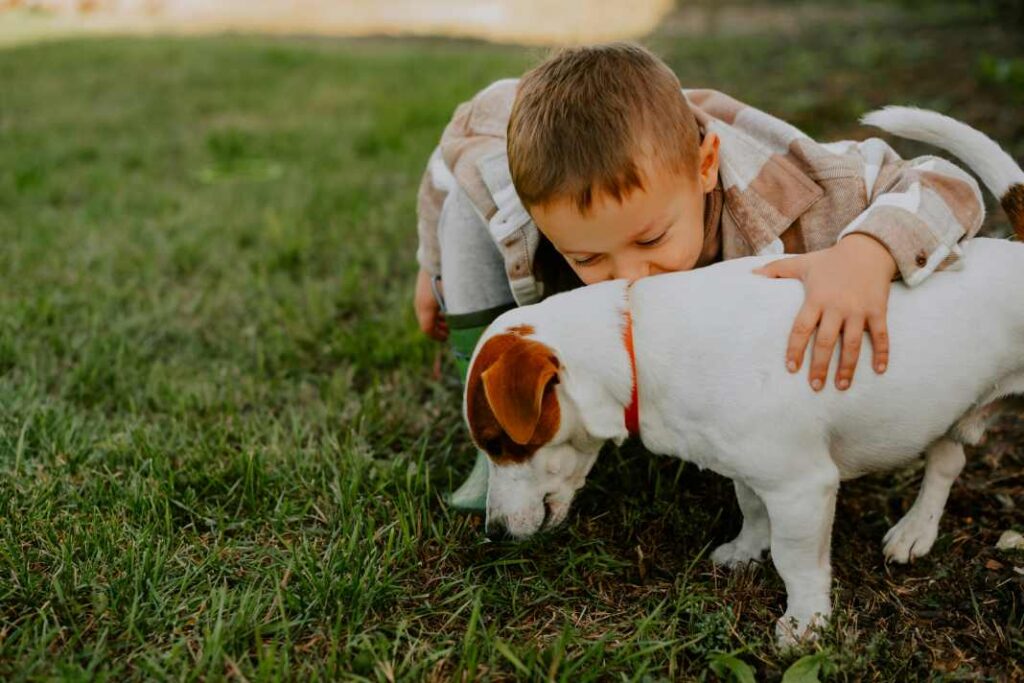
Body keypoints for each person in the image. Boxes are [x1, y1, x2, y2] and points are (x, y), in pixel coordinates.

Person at [413, 43, 985, 511]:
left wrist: (865, 252)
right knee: (473, 200)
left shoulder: (802, 195)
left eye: (651, 239)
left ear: (705, 166)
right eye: (589, 260)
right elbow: (463, 144)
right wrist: (431, 265)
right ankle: (502, 422)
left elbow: (946, 184)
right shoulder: (534, 189)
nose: (626, 279)